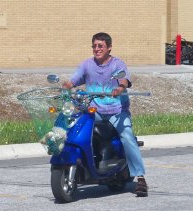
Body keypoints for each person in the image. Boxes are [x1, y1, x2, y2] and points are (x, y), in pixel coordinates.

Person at [62, 32, 148, 197]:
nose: (96, 49)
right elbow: (73, 81)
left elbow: (123, 80)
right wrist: (64, 87)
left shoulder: (117, 65)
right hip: (95, 111)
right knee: (76, 127)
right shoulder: (87, 65)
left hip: (117, 112)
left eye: (100, 46)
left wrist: (119, 89)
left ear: (109, 48)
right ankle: (85, 164)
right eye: (94, 46)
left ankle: (141, 178)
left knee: (127, 136)